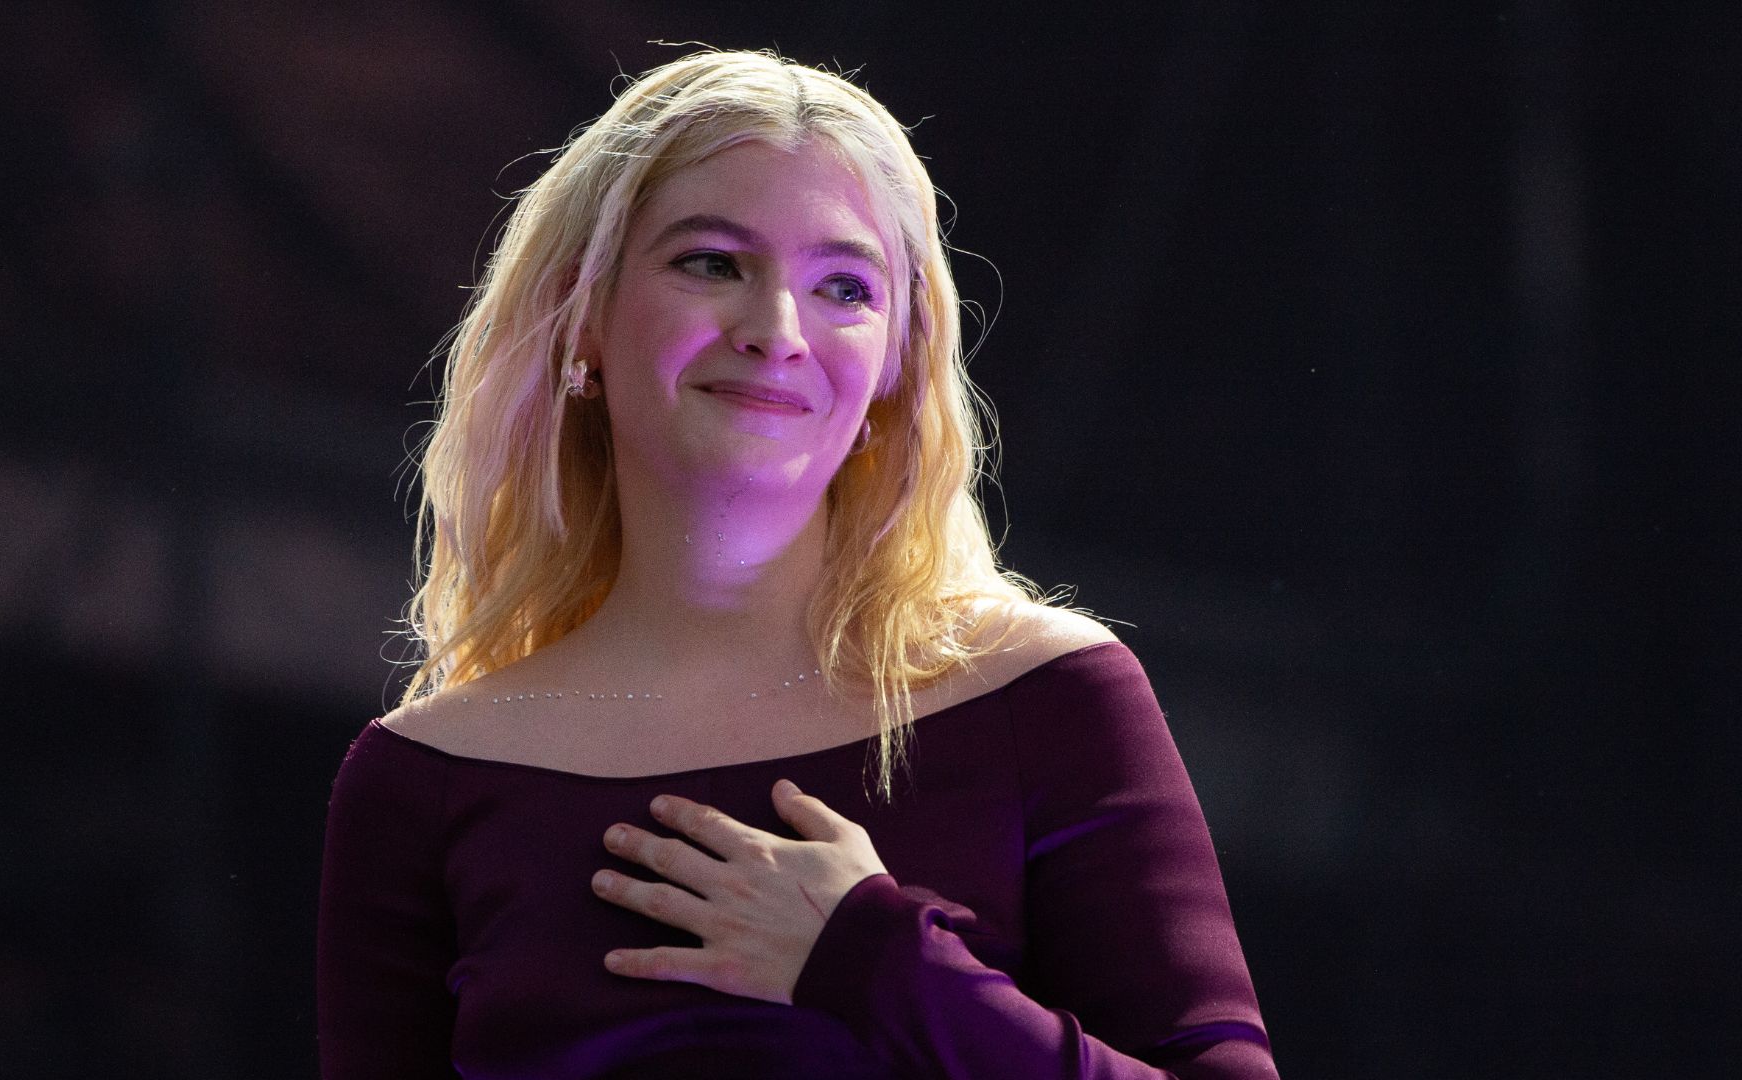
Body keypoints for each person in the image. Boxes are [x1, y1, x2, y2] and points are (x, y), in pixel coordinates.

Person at [316, 49, 1277, 1079]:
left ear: (896, 365)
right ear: (580, 317)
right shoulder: (423, 777)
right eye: (711, 262)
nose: (777, 331)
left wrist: (877, 961)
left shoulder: (1042, 700)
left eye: (843, 287)